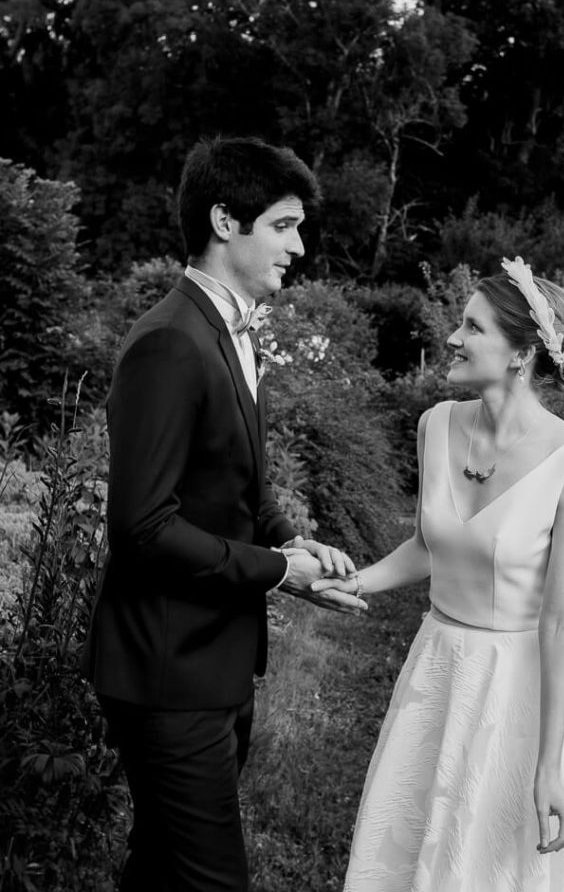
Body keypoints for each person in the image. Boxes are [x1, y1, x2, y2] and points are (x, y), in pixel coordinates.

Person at [82, 135, 366, 892]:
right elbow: (141, 525)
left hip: (213, 662)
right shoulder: (171, 341)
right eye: (283, 225)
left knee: (160, 870)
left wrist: (287, 537)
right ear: (223, 220)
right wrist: (279, 573)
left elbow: (236, 484)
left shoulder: (231, 333)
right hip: (165, 671)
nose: (298, 248)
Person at [312, 256, 564, 891]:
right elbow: (431, 547)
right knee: (408, 854)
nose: (452, 338)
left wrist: (550, 764)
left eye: (472, 327)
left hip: (517, 692)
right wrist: (354, 581)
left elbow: (563, 620)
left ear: (520, 354)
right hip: (436, 669)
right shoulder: (437, 425)